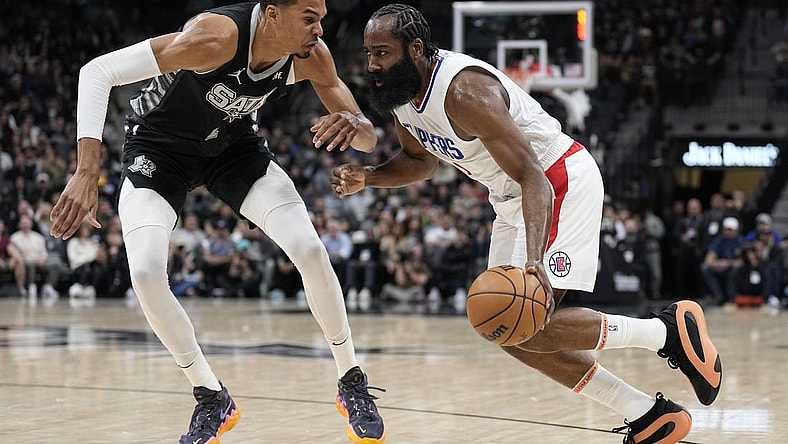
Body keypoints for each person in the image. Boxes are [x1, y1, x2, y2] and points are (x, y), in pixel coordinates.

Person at [331, 4, 722, 443]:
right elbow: (421, 161)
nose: (372, 65)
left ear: (415, 48)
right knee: (508, 330)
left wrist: (534, 260)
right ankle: (646, 413)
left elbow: (534, 176)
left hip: (556, 181)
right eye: (368, 53)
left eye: (382, 52)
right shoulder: (402, 98)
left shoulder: (465, 92)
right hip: (511, 198)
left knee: (529, 318)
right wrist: (370, 177)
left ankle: (665, 332)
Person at [48, 1, 385, 443]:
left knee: (308, 248)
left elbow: (368, 137)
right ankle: (211, 395)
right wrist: (87, 170)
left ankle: (351, 380)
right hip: (158, 148)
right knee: (147, 273)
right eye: (309, 17)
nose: (320, 29)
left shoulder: (310, 55)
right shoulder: (216, 37)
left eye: (321, 17)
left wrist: (353, 122)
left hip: (232, 149)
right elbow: (96, 72)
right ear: (271, 14)